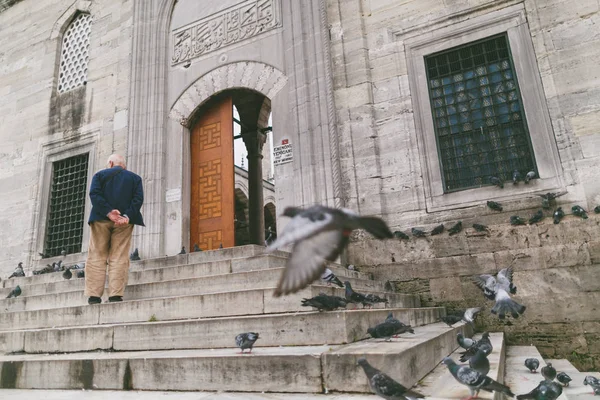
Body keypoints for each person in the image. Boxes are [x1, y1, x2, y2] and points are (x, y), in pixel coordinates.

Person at [85, 154, 144, 304]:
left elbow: (94, 195)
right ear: (123, 165)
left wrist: (109, 212)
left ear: (110, 163)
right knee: (119, 256)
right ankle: (115, 295)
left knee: (97, 256)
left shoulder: (99, 175)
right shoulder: (135, 178)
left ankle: (94, 296)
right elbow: (138, 200)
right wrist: (127, 216)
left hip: (100, 219)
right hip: (124, 222)